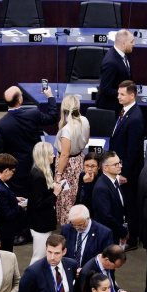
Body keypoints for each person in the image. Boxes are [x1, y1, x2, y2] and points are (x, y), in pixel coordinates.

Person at [0, 85, 59, 195]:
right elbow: (52, 117)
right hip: (38, 163)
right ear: (20, 99)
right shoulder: (33, 114)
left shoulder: (1, 124)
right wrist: (50, 96)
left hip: (18, 171)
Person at [109, 82, 145, 245]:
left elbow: (133, 150)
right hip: (121, 166)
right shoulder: (125, 112)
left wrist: (124, 173)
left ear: (132, 95)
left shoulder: (135, 117)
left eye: (122, 94)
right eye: (118, 93)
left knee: (130, 205)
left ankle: (132, 239)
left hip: (128, 171)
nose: (118, 97)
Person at [55, 94, 91, 226]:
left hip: (66, 167)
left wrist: (59, 174)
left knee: (66, 198)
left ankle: (67, 225)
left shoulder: (66, 130)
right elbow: (86, 141)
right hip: (79, 161)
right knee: (77, 194)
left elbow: (64, 155)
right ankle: (78, 221)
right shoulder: (85, 120)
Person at [62, 205, 115, 279]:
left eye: (80, 225)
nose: (77, 228)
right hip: (70, 275)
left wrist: (85, 271)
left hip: (92, 278)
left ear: (88, 218)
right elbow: (62, 254)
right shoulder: (66, 229)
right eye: (74, 225)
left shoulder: (104, 233)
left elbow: (107, 262)